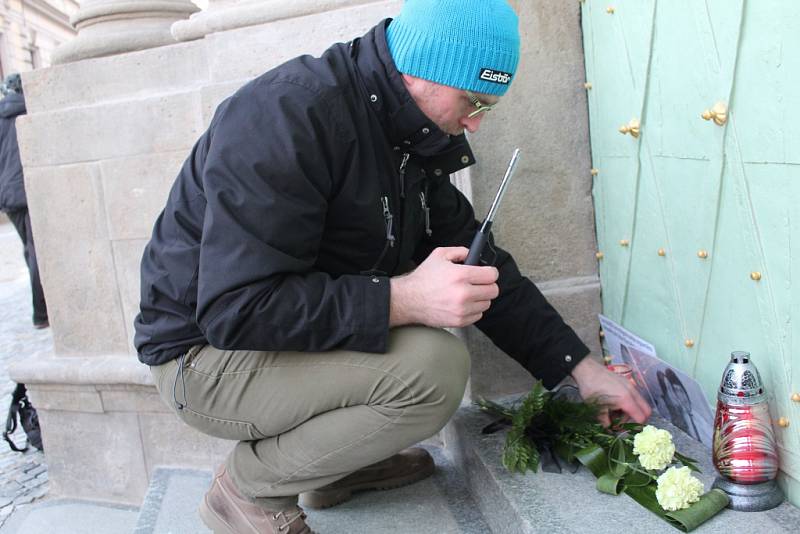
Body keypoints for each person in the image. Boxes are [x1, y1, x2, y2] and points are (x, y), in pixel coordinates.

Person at [134, 1, 651, 532]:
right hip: (201, 358)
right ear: (421, 68)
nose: (475, 122)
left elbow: (482, 263)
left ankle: (337, 463)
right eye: (472, 100)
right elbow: (236, 310)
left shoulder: (412, 135)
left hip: (277, 345)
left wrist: (583, 371)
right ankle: (248, 488)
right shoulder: (286, 116)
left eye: (488, 107)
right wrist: (404, 298)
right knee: (433, 367)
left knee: (424, 331)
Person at [0, 73, 48, 329]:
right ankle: (42, 314)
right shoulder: (30, 113)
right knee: (36, 252)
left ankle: (42, 311)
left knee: (29, 251)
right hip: (29, 191)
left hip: (8, 196)